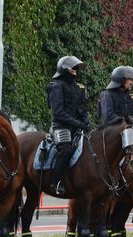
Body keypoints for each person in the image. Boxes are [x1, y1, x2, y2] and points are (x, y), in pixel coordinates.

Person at [47, 55, 90, 195]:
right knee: (66, 150)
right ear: (64, 69)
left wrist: (86, 122)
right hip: (60, 126)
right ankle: (56, 182)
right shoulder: (56, 86)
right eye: (73, 68)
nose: (75, 71)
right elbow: (58, 112)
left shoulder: (79, 87)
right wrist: (78, 123)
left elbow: (82, 108)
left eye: (76, 68)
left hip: (77, 126)